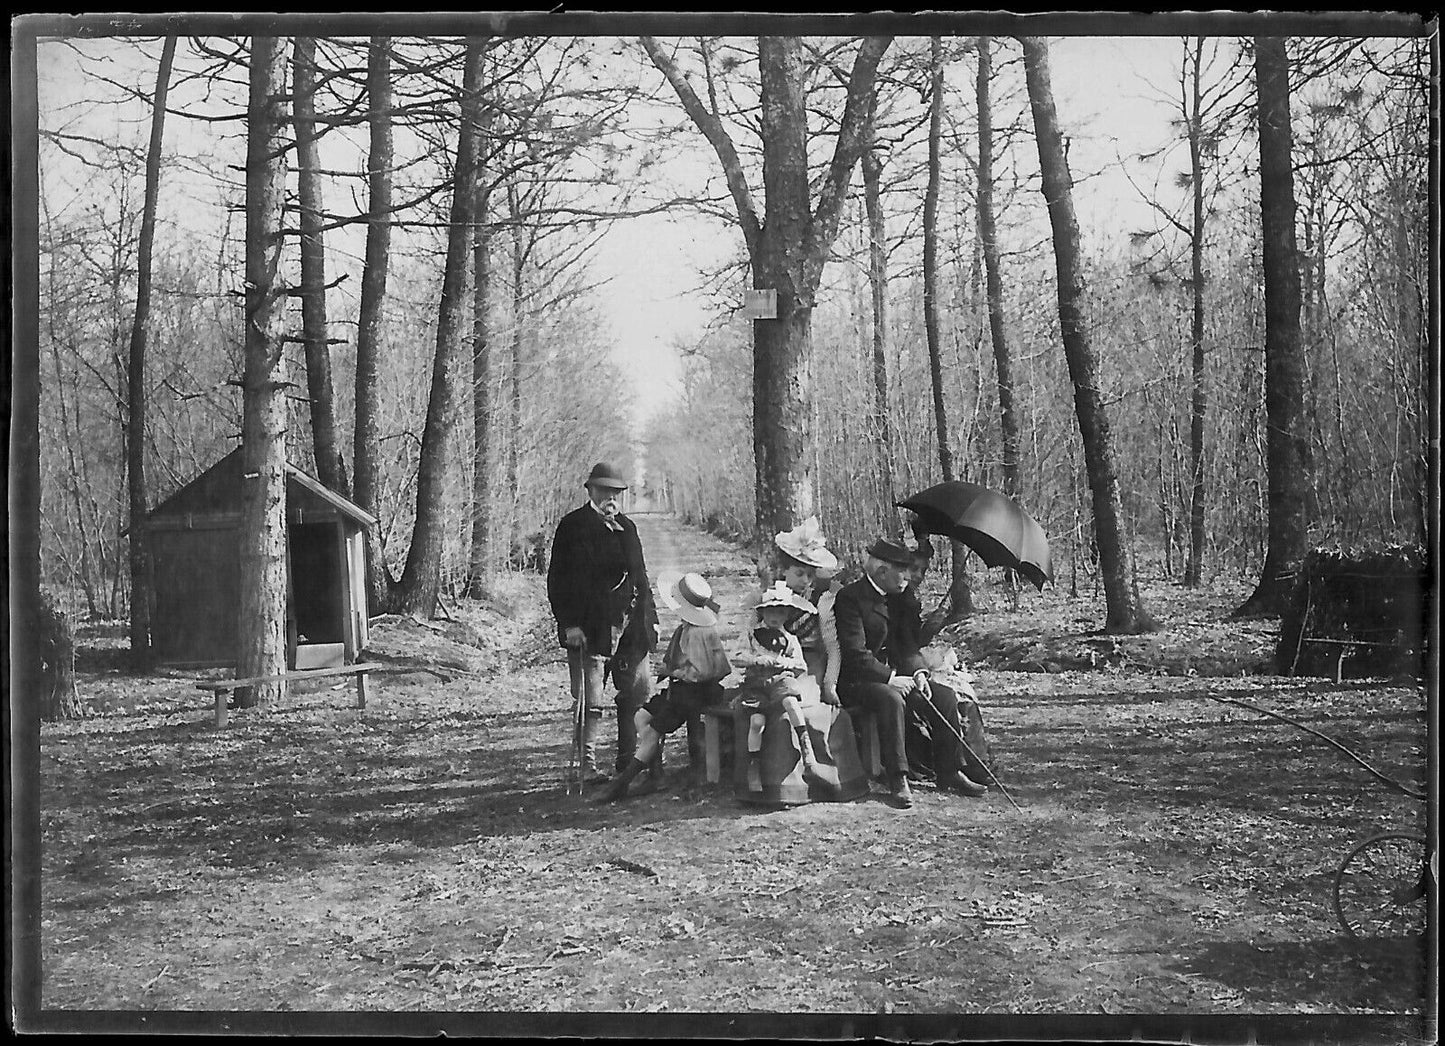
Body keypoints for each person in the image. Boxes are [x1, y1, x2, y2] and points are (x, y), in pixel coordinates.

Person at [833, 538, 986, 809]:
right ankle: (898, 778)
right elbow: (855, 655)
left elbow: (907, 646)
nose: (909, 577)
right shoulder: (850, 598)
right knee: (891, 699)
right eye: (902, 570)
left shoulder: (902, 599)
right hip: (858, 680)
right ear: (882, 571)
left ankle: (950, 771)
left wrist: (918, 673)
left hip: (898, 677)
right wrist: (891, 678)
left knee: (944, 696)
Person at [547, 462, 659, 786]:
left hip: (631, 629)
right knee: (590, 702)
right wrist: (568, 624)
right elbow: (557, 581)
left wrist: (650, 621)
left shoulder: (629, 529)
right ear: (591, 491)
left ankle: (628, 763)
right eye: (605, 491)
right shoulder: (572, 527)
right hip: (588, 628)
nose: (611, 497)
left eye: (616, 492)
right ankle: (587, 767)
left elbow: (642, 578)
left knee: (636, 694)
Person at [599, 572, 731, 803]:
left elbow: (702, 673)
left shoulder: (698, 633)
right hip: (680, 690)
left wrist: (672, 672)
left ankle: (623, 782)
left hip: (695, 693)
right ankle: (655, 772)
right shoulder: (688, 628)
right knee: (641, 717)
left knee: (653, 730)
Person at [893, 544, 991, 793]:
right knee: (948, 693)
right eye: (912, 569)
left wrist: (931, 627)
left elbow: (912, 643)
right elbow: (899, 644)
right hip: (893, 671)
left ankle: (965, 766)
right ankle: (971, 765)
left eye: (923, 571)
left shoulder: (909, 601)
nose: (917, 576)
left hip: (911, 665)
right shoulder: (894, 599)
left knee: (957, 692)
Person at [732, 582, 839, 796]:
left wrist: (785, 664)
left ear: (787, 615)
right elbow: (736, 658)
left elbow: (801, 665)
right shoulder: (752, 635)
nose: (775, 617)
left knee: (791, 701)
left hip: (780, 681)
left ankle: (807, 753)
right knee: (756, 722)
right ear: (762, 612)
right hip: (757, 684)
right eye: (771, 612)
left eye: (781, 613)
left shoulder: (790, 639)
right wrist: (755, 660)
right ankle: (754, 766)